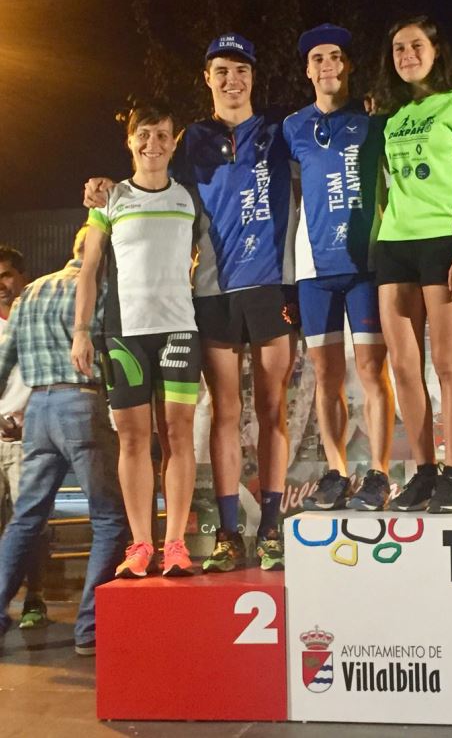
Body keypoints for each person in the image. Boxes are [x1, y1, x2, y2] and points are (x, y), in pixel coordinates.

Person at [85, 34, 298, 572]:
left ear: (253, 76)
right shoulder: (190, 141)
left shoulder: (280, 131)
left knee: (272, 409)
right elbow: (147, 174)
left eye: (241, 69)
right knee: (224, 414)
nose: (232, 79)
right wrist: (104, 188)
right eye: (221, 70)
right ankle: (228, 534)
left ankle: (271, 529)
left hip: (270, 286)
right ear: (208, 78)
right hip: (211, 294)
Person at [73, 104, 201, 578]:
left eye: (163, 135)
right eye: (144, 135)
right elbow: (89, 270)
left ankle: (176, 545)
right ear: (130, 141)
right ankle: (142, 544)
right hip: (124, 333)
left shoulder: (188, 196)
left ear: (174, 142)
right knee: (132, 438)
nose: (153, 144)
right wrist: (81, 331)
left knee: (179, 435)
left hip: (179, 329)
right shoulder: (109, 199)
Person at [374, 15, 452, 513]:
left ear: (436, 50)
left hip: (444, 242)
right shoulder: (393, 117)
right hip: (393, 244)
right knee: (403, 366)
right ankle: (423, 472)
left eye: (416, 45)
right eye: (398, 48)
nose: (407, 55)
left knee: (448, 362)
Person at [0, 228, 127, 656]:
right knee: (109, 519)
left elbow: (3, 363)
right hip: (81, 403)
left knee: (25, 519)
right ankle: (89, 629)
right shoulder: (100, 290)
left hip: (37, 408)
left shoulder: (30, 293)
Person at [283, 23, 394, 512]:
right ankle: (336, 471)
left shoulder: (374, 122)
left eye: (335, 57)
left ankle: (380, 473)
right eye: (318, 59)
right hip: (314, 269)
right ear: (307, 71)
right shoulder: (292, 127)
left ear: (348, 65)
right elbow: (283, 192)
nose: (327, 65)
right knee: (325, 374)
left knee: (372, 370)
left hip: (366, 264)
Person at [0, 247, 45, 628]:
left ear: (22, 276)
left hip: (27, 440)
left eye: (6, 274)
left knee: (31, 525)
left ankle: (35, 598)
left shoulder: (36, 318)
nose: (1, 284)